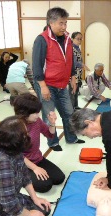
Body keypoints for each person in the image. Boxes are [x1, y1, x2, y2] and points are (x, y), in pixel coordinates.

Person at [32, 7, 85, 152]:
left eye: (65, 23)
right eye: (61, 23)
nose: (64, 27)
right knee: (50, 116)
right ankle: (53, 142)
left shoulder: (67, 39)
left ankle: (71, 138)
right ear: (51, 22)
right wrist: (43, 86)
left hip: (62, 84)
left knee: (69, 113)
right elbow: (36, 66)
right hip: (47, 84)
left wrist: (73, 77)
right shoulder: (42, 40)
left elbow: (70, 60)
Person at [13, 93, 65, 193]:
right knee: (44, 186)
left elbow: (50, 134)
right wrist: (35, 168)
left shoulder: (37, 121)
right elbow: (16, 155)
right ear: (24, 113)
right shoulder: (15, 127)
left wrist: (52, 123)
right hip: (22, 164)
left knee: (59, 178)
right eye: (35, 113)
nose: (38, 115)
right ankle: (17, 176)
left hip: (37, 159)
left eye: (38, 112)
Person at [68, 31, 90, 110]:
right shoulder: (71, 49)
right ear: (72, 39)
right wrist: (83, 65)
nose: (80, 41)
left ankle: (75, 106)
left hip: (78, 74)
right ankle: (71, 108)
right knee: (72, 91)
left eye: (81, 39)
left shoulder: (77, 48)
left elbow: (79, 60)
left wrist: (82, 65)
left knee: (76, 91)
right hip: (72, 74)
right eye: (78, 39)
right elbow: (73, 62)